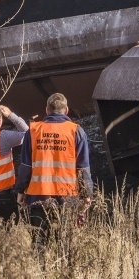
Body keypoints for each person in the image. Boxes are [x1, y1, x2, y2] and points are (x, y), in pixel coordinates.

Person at [14, 93, 93, 243]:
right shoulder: (76, 131)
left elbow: (25, 165)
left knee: (40, 244)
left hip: (38, 197)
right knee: (64, 245)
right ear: (66, 110)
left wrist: (20, 191)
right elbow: (83, 168)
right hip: (67, 198)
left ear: (47, 110)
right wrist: (86, 194)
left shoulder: (33, 131)